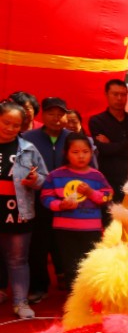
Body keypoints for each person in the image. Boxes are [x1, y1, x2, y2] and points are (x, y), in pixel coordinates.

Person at [40, 132, 112, 291]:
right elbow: (45, 197)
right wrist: (60, 205)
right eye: (75, 152)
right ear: (66, 153)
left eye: (85, 152)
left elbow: (107, 196)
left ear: (91, 153)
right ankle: (73, 297)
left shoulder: (97, 176)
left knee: (90, 264)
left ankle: (89, 296)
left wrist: (91, 193)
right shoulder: (56, 175)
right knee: (70, 265)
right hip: (65, 229)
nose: (81, 156)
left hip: (91, 229)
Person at [0, 101, 47, 318]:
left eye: (15, 125)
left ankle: (20, 302)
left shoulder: (28, 148)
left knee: (18, 260)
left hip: (18, 212)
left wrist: (35, 180)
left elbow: (44, 178)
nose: (10, 128)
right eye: (5, 122)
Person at [21, 97, 69, 300]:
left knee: (65, 243)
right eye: (51, 113)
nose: (56, 118)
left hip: (67, 202)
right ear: (43, 114)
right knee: (37, 245)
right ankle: (39, 287)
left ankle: (68, 281)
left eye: (60, 114)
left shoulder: (73, 138)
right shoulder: (28, 138)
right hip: (37, 199)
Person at [88, 79, 128, 206]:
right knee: (110, 214)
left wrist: (112, 143)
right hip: (109, 180)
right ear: (107, 95)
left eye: (123, 94)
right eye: (115, 94)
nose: (120, 98)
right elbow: (103, 149)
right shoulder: (97, 121)